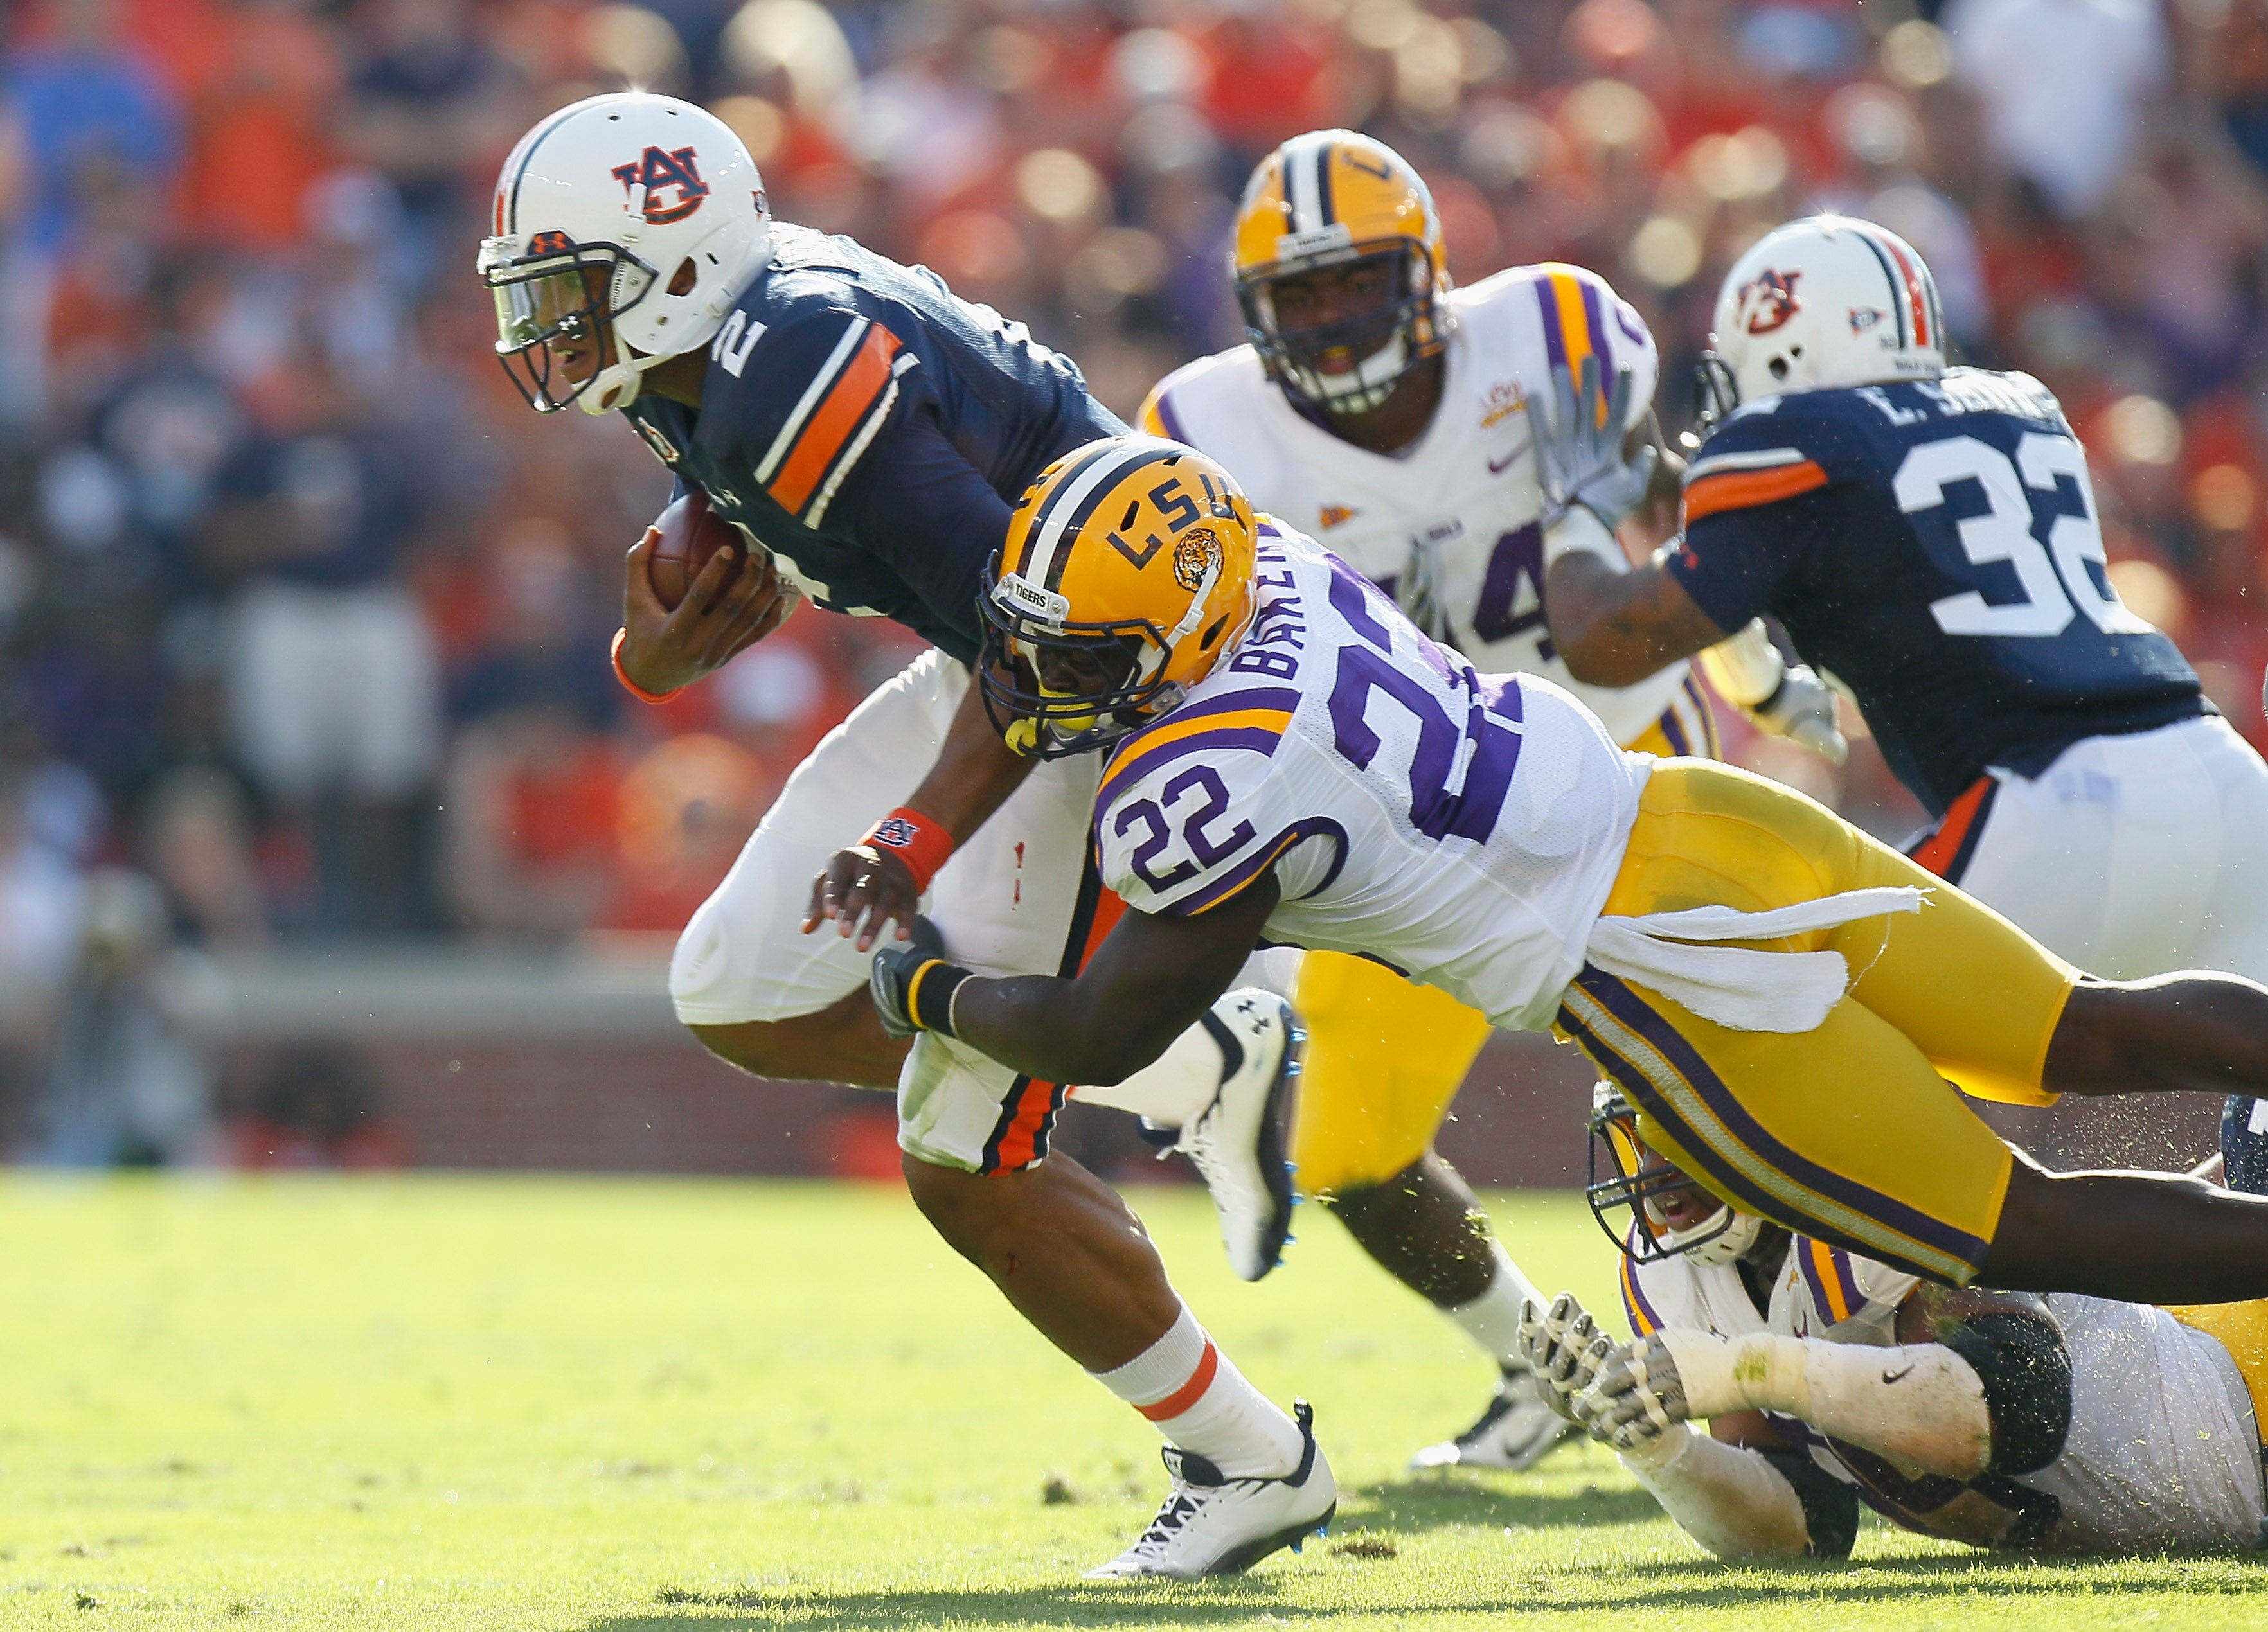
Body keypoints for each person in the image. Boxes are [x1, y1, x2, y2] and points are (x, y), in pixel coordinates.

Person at [479, 91, 1332, 1579]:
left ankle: (1248, 1454)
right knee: (739, 984)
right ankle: (1193, 1059)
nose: (547, 328)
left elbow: (1047, 642)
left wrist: (916, 841)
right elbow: (815, 592)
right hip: (1013, 660)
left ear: (672, 264)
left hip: (1121, 681)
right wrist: (655, 664)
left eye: (572, 289)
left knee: (959, 1150)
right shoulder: (711, 351)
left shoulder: (786, 365)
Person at [871, 429, 2268, 1321]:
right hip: (1714, 816)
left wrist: (931, 991)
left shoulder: (1202, 780)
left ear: (1177, 626)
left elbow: (1109, 1028)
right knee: (2082, 1026)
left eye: (1082, 654)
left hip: (1665, 972)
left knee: (2013, 1221)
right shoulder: (1271, 568)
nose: (1033, 678)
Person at [1132, 128, 1843, 1471]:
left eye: (1360, 283)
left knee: (1736, 1093)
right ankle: (1547, 1371)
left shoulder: (1552, 330)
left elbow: (1672, 517)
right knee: (1349, 1155)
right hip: (1420, 830)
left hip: (1629, 776)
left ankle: (1823, 1360)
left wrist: (1751, 667)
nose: (1336, 320)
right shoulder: (1203, 436)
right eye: (1305, 296)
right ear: (1254, 314)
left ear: (1428, 274)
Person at [1532, 215, 2268, 1197]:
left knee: (1755, 1070)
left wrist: (1570, 507)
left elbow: (1609, 635)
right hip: (2225, 790)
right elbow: (1795, 558)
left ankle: (1880, 1341)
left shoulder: (1791, 442)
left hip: (2047, 811)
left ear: (1783, 346)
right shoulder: (2020, 405)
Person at [1515, 1092, 2268, 1557]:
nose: (1652, 1171)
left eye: (1670, 1135)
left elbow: (2021, 1405)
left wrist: (1753, 1368)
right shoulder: (1673, 1270)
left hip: (2235, 1391)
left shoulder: (1868, 1188)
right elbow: (1807, 1524)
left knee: (2255, 1116)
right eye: (1633, 1141)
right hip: (2193, 1429)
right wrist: (1658, 1447)